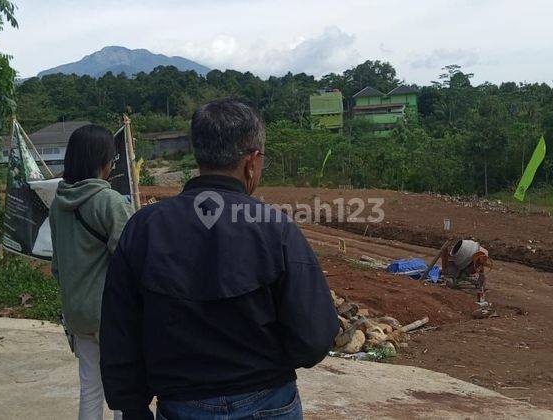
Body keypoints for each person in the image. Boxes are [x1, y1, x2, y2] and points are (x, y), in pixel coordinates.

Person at [100, 99, 338, 420]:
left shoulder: (143, 228)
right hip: (269, 401)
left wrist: (132, 405)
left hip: (181, 404)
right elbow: (315, 336)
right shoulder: (276, 229)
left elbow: (120, 330)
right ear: (251, 162)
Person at [49, 124, 135, 420]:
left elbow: (58, 265)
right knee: (123, 391)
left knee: (90, 388)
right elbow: (131, 260)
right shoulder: (109, 202)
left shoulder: (57, 204)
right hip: (109, 315)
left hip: (77, 313)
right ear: (104, 162)